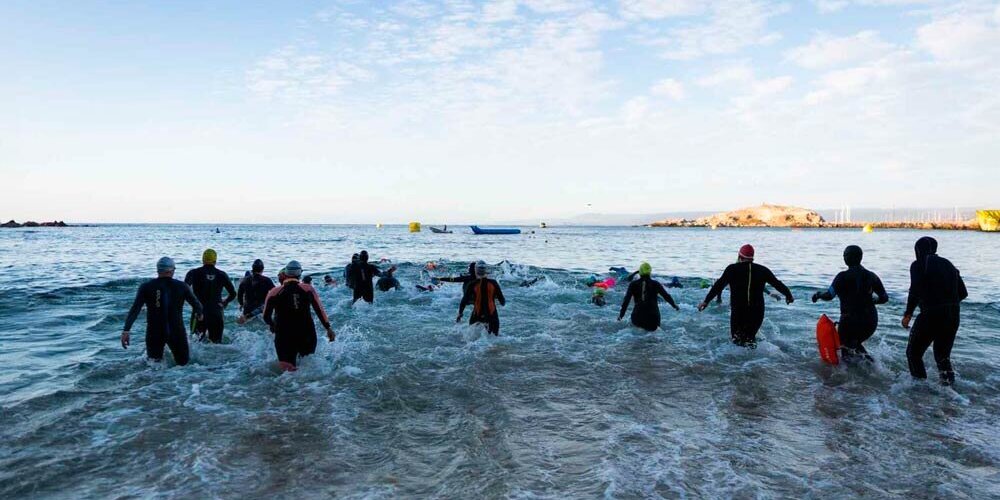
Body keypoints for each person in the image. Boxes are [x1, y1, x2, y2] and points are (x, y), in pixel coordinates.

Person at [698, 244, 794, 348]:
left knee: (737, 340)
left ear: (739, 256)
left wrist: (706, 301)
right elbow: (777, 284)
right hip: (757, 311)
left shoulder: (732, 269)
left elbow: (718, 285)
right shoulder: (763, 270)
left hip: (739, 311)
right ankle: (757, 363)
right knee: (750, 339)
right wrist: (789, 295)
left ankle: (739, 363)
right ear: (752, 258)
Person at [902, 237, 968, 385]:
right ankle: (949, 390)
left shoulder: (918, 264)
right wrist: (947, 304)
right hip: (953, 315)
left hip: (930, 314)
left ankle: (919, 390)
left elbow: (915, 290)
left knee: (913, 354)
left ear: (918, 250)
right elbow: (963, 293)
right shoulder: (949, 265)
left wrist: (908, 314)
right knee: (942, 356)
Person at [122, 257, 204, 365]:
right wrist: (200, 315)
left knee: (154, 366)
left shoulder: (146, 287)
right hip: (176, 331)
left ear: (158, 270)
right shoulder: (182, 286)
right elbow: (197, 306)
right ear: (171, 270)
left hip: (154, 332)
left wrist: (126, 330)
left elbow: (135, 309)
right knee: (184, 365)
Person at [811, 245, 889, 361]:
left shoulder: (842, 277)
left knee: (846, 348)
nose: (844, 257)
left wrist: (818, 295)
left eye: (845, 255)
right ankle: (873, 367)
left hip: (850, 320)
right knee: (855, 343)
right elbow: (884, 298)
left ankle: (849, 375)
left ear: (849, 257)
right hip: (870, 321)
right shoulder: (872, 276)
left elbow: (829, 295)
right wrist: (873, 300)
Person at [262, 260, 335, 369]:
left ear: (285, 274)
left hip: (284, 334)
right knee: (307, 367)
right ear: (300, 274)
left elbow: (266, 317)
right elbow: (320, 310)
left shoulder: (274, 292)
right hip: (306, 333)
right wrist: (328, 328)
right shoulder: (308, 289)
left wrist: (274, 327)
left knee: (288, 372)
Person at [184, 249, 237, 343]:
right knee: (217, 345)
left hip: (199, 312)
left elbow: (184, 290)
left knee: (197, 343)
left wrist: (192, 304)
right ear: (215, 261)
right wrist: (225, 302)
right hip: (216, 312)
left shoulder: (193, 273)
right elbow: (233, 294)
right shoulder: (222, 274)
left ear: (203, 260)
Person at [617, 263, 679, 331]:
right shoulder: (656, 284)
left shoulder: (633, 284)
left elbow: (626, 301)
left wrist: (621, 315)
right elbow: (667, 296)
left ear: (640, 272)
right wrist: (675, 306)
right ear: (650, 272)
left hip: (638, 318)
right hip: (654, 319)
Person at [457, 261, 506, 335]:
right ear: (486, 270)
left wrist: (460, 314)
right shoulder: (493, 283)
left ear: (476, 271)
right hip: (492, 315)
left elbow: (464, 301)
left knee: (471, 339)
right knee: (494, 339)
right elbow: (502, 302)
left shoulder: (472, 284)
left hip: (476, 315)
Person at [237, 259, 275, 325]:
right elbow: (275, 293)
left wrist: (241, 304)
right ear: (262, 269)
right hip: (260, 310)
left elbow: (239, 294)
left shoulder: (245, 280)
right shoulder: (267, 280)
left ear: (252, 269)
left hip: (247, 309)